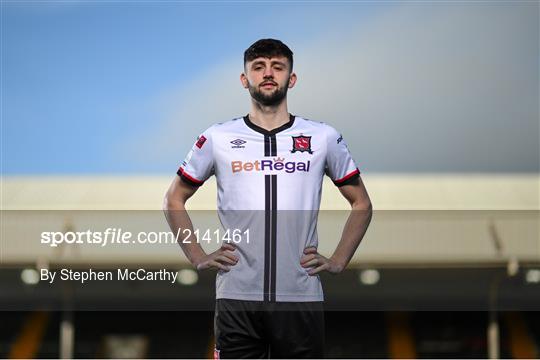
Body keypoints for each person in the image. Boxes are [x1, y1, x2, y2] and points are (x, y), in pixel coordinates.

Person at [163, 38, 372, 359]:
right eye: (258, 67)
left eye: (278, 66)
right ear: (245, 79)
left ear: (292, 78)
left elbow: (362, 204)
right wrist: (197, 256)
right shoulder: (218, 137)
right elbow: (174, 199)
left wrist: (339, 259)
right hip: (236, 296)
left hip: (301, 295)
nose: (268, 73)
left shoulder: (323, 137)